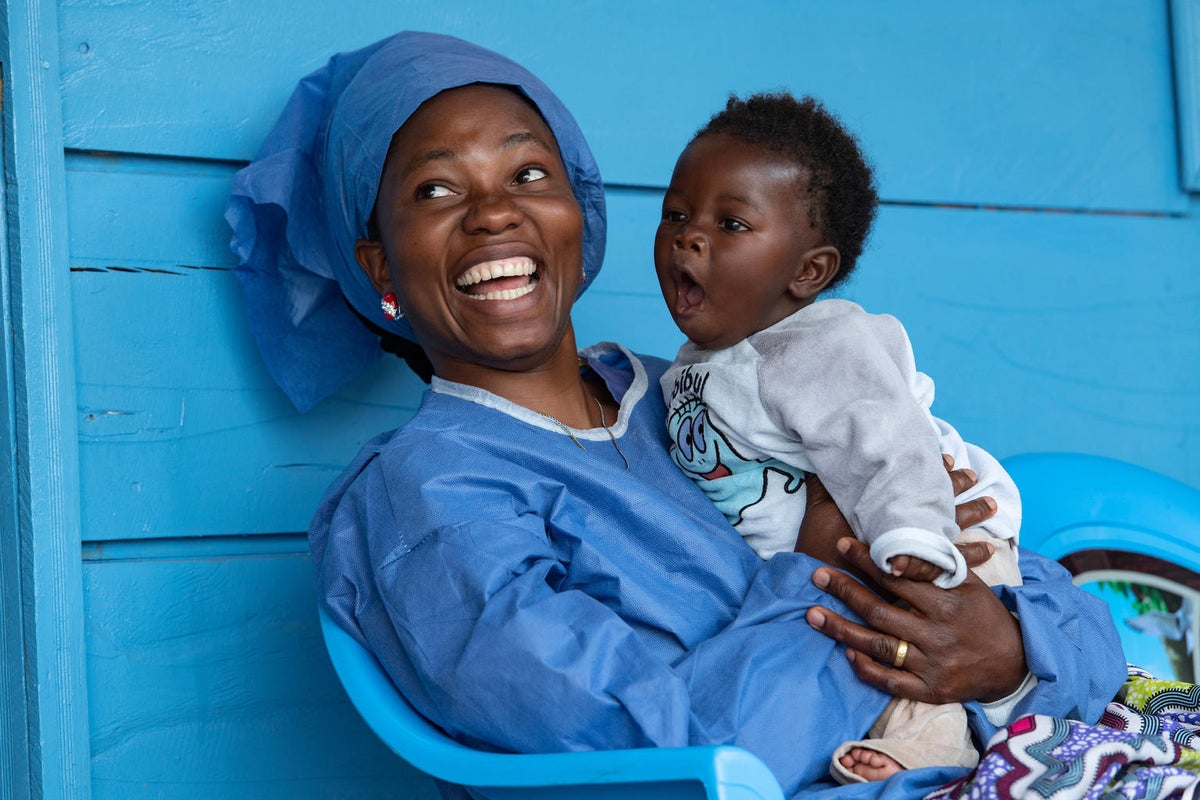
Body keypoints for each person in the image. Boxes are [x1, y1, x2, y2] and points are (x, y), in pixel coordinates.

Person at [225, 31, 1126, 799]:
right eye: (436, 190)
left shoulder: (723, 389)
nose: (494, 214)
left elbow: (1072, 628)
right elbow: (652, 751)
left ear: (577, 213)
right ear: (381, 268)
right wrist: (828, 578)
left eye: (528, 173)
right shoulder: (431, 494)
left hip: (999, 759)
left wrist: (1008, 657)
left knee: (1168, 721)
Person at [655, 92, 1023, 783]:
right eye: (676, 214)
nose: (688, 237)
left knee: (912, 633)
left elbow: (890, 442)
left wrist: (913, 538)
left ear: (808, 272)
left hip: (934, 532)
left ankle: (933, 749)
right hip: (840, 557)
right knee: (859, 644)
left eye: (730, 223)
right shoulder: (697, 365)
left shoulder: (821, 343)